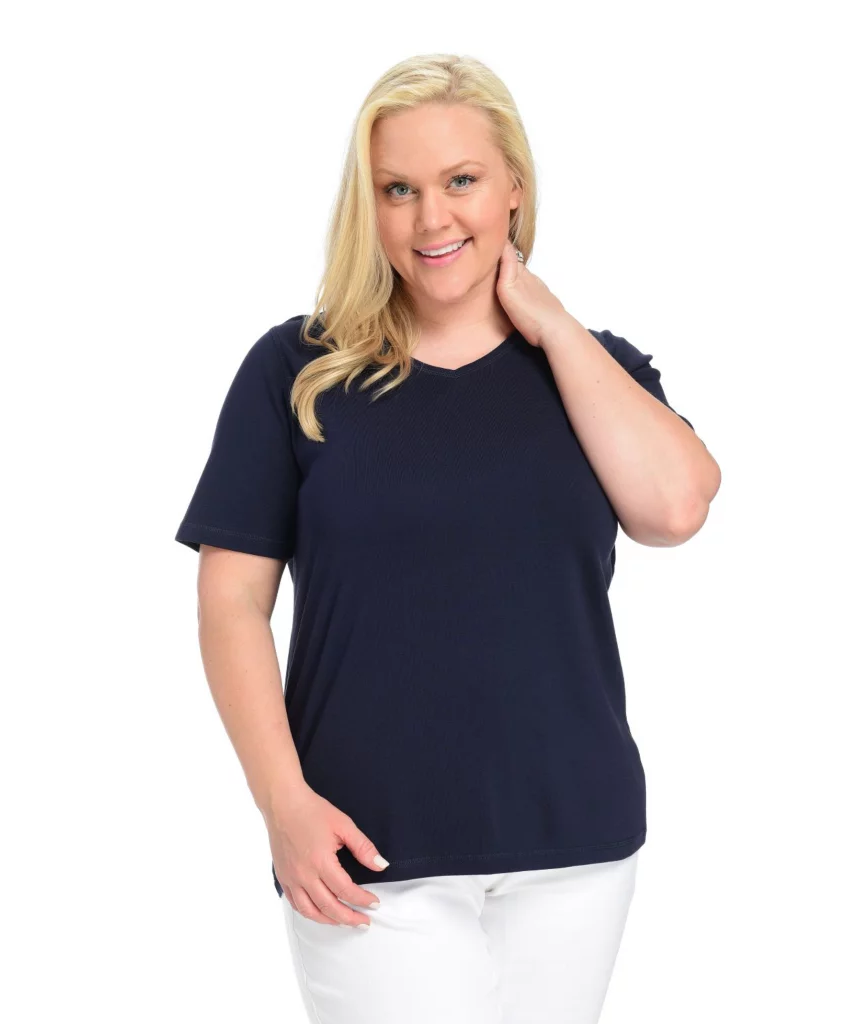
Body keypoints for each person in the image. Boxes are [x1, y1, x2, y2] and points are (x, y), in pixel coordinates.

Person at [174, 53, 720, 1024]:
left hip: (574, 847)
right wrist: (282, 803)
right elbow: (231, 604)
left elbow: (675, 509)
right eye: (399, 189)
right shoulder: (297, 371)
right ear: (370, 206)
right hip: (365, 851)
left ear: (514, 188)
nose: (432, 219)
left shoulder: (592, 368)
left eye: (460, 180)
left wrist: (551, 324)